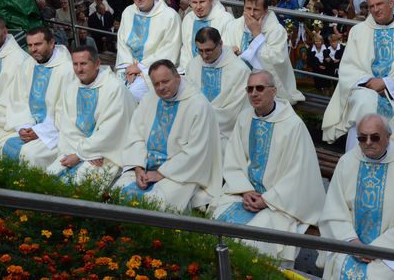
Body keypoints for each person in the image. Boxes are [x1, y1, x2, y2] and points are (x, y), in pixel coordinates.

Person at [213, 70, 325, 264]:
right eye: (249, 89)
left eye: (260, 88)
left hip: (277, 203)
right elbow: (234, 159)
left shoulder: (292, 126)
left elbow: (297, 174)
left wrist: (267, 200)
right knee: (217, 219)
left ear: (273, 91)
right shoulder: (245, 118)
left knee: (255, 238)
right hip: (244, 194)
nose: (254, 93)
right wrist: (245, 190)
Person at [318, 114, 394, 280]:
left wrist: (375, 250)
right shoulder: (347, 163)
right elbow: (335, 210)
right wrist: (351, 241)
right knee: (339, 265)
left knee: (377, 275)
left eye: (375, 137)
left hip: (390, 248)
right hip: (351, 242)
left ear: (388, 136)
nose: (368, 142)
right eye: (362, 138)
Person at [322, 0, 394, 150]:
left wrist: (385, 83)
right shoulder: (358, 31)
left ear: (391, 3)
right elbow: (348, 68)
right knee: (365, 101)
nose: (376, 9)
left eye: (379, 4)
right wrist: (370, 82)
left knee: (366, 103)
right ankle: (356, 157)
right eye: (371, 6)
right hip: (363, 89)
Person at [114, 60, 222, 211]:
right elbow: (136, 135)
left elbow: (196, 152)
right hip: (145, 167)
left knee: (154, 204)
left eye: (165, 81)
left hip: (180, 173)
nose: (161, 88)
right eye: (156, 84)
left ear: (177, 77)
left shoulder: (198, 106)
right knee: (116, 195)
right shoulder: (150, 98)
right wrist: (138, 167)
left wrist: (160, 173)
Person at [47, 46, 136, 185]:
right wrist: (82, 153)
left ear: (97, 64)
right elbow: (67, 126)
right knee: (50, 174)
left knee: (83, 180)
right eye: (75, 64)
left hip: (108, 152)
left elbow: (111, 130)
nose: (79, 69)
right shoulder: (71, 89)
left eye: (83, 64)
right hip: (80, 148)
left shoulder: (114, 88)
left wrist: (82, 154)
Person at [0, 27, 74, 169]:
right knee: (0, 145)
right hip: (30, 127)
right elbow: (18, 100)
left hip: (54, 132)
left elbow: (68, 111)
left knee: (31, 155)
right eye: (30, 45)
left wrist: (40, 130)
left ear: (51, 43)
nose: (33, 49)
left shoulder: (67, 69)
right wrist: (23, 126)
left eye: (38, 44)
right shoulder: (28, 64)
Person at [223, 0, 305, 105]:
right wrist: (230, 51)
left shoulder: (276, 30)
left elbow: (276, 60)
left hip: (263, 86)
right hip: (236, 82)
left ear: (265, 11)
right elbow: (223, 49)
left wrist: (257, 35)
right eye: (248, 8)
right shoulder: (233, 25)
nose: (251, 14)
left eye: (256, 10)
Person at [185, 27, 250, 154]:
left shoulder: (239, 70)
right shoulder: (193, 65)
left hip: (225, 132)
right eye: (200, 50)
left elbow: (233, 111)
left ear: (220, 44)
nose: (204, 56)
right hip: (194, 126)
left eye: (208, 50)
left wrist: (202, 120)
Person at [116, 0, 181, 101]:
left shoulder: (169, 16)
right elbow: (122, 43)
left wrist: (140, 67)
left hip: (151, 70)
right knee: (114, 91)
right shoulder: (128, 12)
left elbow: (170, 49)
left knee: (131, 94)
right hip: (128, 67)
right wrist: (129, 68)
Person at [179, 0, 234, 69]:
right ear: (189, 2)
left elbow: (227, 51)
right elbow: (186, 49)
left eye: (202, 2)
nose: (198, 7)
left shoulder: (225, 19)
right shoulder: (188, 18)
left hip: (216, 69)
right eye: (194, 2)